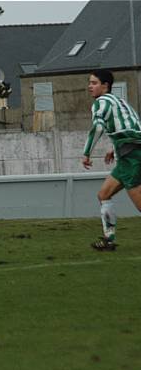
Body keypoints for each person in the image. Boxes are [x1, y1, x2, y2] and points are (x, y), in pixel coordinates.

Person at [82, 69, 141, 251]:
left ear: (105, 86)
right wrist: (113, 149)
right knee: (104, 194)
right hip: (127, 153)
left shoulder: (101, 102)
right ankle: (109, 240)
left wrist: (86, 153)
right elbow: (132, 127)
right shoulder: (120, 102)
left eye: (94, 83)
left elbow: (98, 127)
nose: (90, 86)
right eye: (89, 83)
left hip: (131, 156)